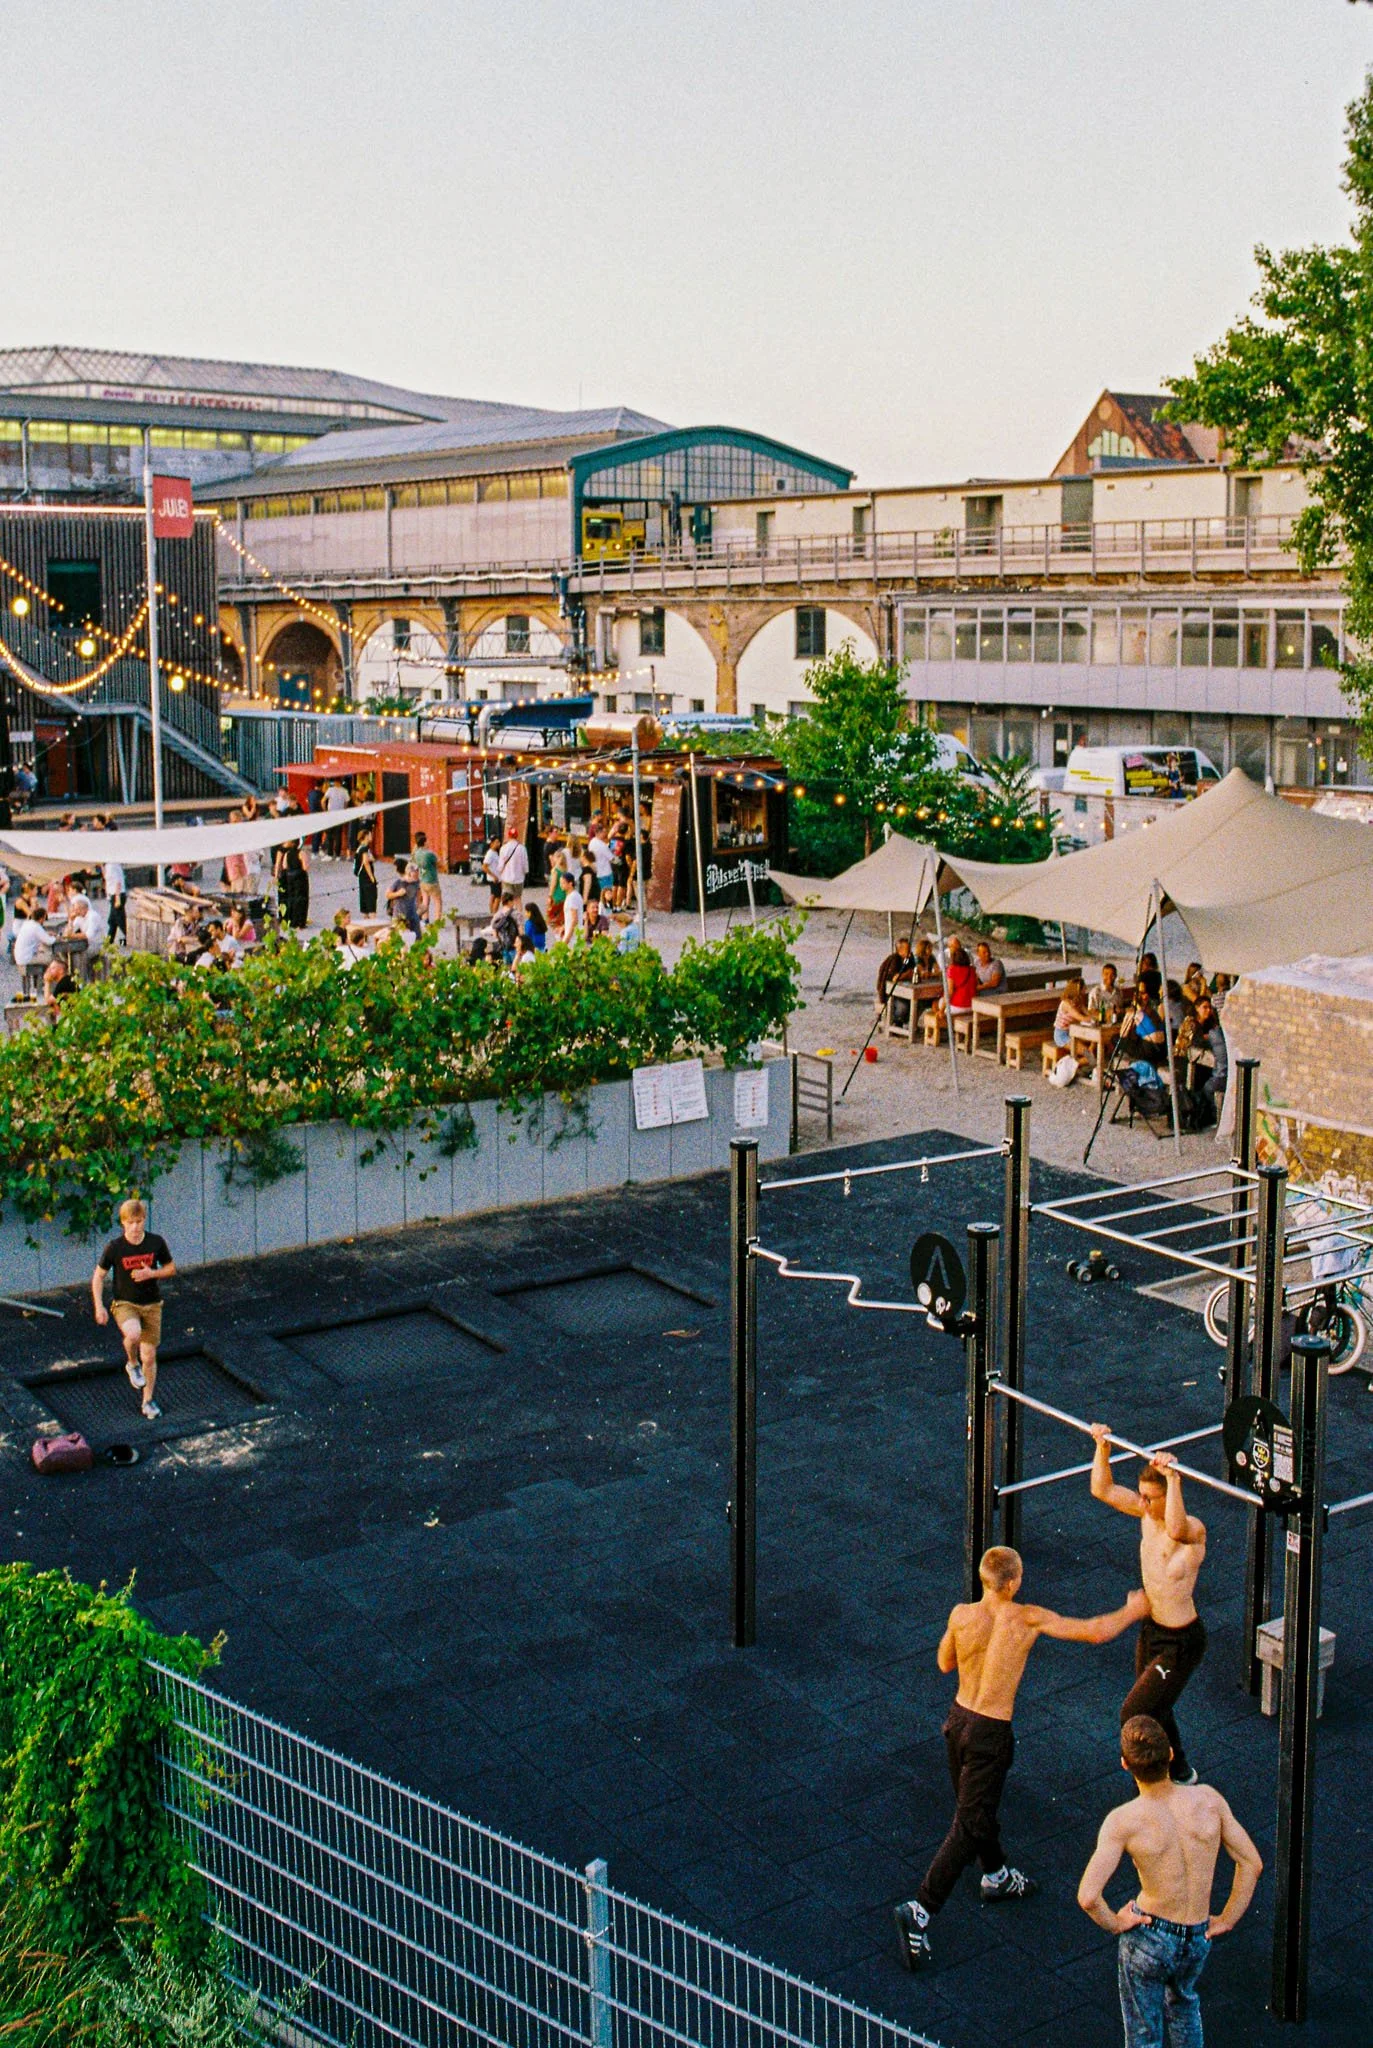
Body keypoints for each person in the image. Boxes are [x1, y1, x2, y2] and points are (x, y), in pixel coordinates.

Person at [893, 1545, 1147, 1971]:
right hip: (991, 1732)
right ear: (1013, 1583)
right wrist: (1133, 1609)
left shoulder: (960, 1614)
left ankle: (995, 1876)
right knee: (970, 1823)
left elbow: (943, 1663)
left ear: (983, 1579)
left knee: (976, 1811)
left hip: (958, 1722)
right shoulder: (1026, 1617)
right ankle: (919, 1910)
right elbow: (1095, 1631)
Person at [1078, 1714, 1263, 2048]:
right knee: (1184, 2004)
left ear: (1125, 1764)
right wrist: (1227, 1918)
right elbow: (1251, 1863)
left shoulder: (1123, 1821)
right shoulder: (1209, 1800)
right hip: (1196, 1935)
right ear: (1172, 1756)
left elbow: (1089, 1897)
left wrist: (1117, 1923)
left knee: (1143, 2032)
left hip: (1151, 1936)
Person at [1090, 1441, 1208, 1785]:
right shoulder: (1146, 1514)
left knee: (1134, 1712)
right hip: (1152, 1629)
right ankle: (1179, 1770)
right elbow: (1103, 1488)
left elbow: (1176, 1528)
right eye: (1141, 1495)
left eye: (1150, 1496)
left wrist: (1174, 1479)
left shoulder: (1193, 1531)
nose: (1142, 1502)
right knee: (1156, 1705)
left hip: (1181, 1641)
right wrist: (1102, 1446)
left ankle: (1162, 1776)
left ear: (1169, 1495)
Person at [92, 1197, 176, 1421]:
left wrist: (152, 1273)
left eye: (139, 1222)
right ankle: (131, 1362)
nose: (136, 1227)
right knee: (133, 1333)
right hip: (125, 1303)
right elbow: (98, 1277)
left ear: (144, 1220)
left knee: (149, 1356)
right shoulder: (115, 1248)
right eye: (131, 1223)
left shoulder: (155, 1243)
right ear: (123, 1224)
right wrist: (99, 1306)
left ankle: (147, 1400)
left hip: (152, 1305)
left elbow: (171, 1268)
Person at [875, 935, 916, 1016]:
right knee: (903, 1008)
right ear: (900, 951)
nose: (910, 953)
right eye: (907, 950)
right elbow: (894, 978)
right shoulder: (895, 959)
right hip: (890, 994)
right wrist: (907, 974)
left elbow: (914, 970)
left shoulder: (909, 959)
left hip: (905, 991)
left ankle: (910, 1024)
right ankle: (895, 1021)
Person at [275, 840, 310, 929]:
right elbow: (305, 867)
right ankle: (299, 921)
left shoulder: (287, 853)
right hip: (300, 877)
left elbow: (284, 866)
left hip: (290, 877)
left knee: (291, 897)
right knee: (301, 899)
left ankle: (290, 919)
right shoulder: (301, 853)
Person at [386, 859, 423, 939]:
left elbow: (419, 894)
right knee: (398, 938)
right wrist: (398, 893)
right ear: (409, 873)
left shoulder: (417, 882)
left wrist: (419, 905)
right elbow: (388, 895)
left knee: (417, 938)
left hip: (412, 914)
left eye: (418, 873)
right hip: (399, 915)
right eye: (415, 873)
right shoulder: (398, 882)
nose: (417, 875)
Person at [412, 831, 443, 924]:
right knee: (437, 901)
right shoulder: (429, 854)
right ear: (424, 842)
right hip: (432, 879)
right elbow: (439, 864)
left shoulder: (416, 853)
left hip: (422, 879)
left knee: (425, 901)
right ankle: (437, 920)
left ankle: (425, 919)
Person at [1053, 975, 1092, 1049]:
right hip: (1062, 1035)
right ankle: (1069, 1061)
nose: (1086, 989)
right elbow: (1081, 1018)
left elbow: (1088, 1013)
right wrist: (1095, 1018)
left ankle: (1091, 1057)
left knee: (1095, 1042)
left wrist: (1098, 1016)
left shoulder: (1078, 1001)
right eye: (1084, 987)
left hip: (1074, 1032)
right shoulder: (1066, 1004)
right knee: (1088, 1053)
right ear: (1078, 990)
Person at [495, 824, 529, 898]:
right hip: (519, 878)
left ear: (509, 836)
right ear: (517, 836)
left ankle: (510, 909)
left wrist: (499, 873)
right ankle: (519, 910)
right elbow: (525, 864)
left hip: (507, 878)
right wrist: (525, 872)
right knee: (518, 899)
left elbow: (501, 865)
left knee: (508, 899)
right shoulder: (522, 848)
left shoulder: (503, 848)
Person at [586, 821, 615, 903]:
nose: (605, 834)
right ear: (599, 833)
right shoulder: (602, 845)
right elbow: (612, 858)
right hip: (606, 872)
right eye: (604, 832)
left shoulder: (592, 842)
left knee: (601, 894)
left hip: (598, 871)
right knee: (608, 895)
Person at [322, 776, 351, 857]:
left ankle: (330, 854)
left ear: (335, 782)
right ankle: (337, 854)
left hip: (331, 814)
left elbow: (322, 801)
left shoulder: (330, 790)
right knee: (338, 835)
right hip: (340, 815)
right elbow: (347, 802)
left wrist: (325, 811)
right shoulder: (345, 791)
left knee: (330, 835)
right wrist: (344, 810)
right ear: (341, 782)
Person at [354, 829, 378, 916]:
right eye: (370, 835)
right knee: (371, 902)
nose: (371, 837)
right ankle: (373, 921)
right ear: (366, 837)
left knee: (364, 903)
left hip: (361, 877)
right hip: (367, 877)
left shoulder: (359, 848)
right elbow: (365, 862)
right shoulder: (365, 848)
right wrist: (372, 877)